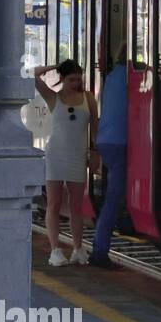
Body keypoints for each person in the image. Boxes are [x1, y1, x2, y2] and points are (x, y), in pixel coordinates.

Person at [34, 59, 98, 266]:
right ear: (62, 79)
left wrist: (95, 152)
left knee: (76, 206)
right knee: (53, 204)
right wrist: (54, 66)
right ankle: (55, 250)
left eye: (78, 79)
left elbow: (95, 127)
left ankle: (78, 249)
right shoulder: (53, 97)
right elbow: (32, 74)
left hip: (77, 156)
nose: (76, 83)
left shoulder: (88, 98)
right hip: (55, 155)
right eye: (71, 79)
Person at [88, 43, 128, 267]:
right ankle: (99, 251)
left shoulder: (112, 77)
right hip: (120, 142)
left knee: (113, 197)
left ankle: (100, 248)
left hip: (106, 140)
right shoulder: (132, 78)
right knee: (112, 199)